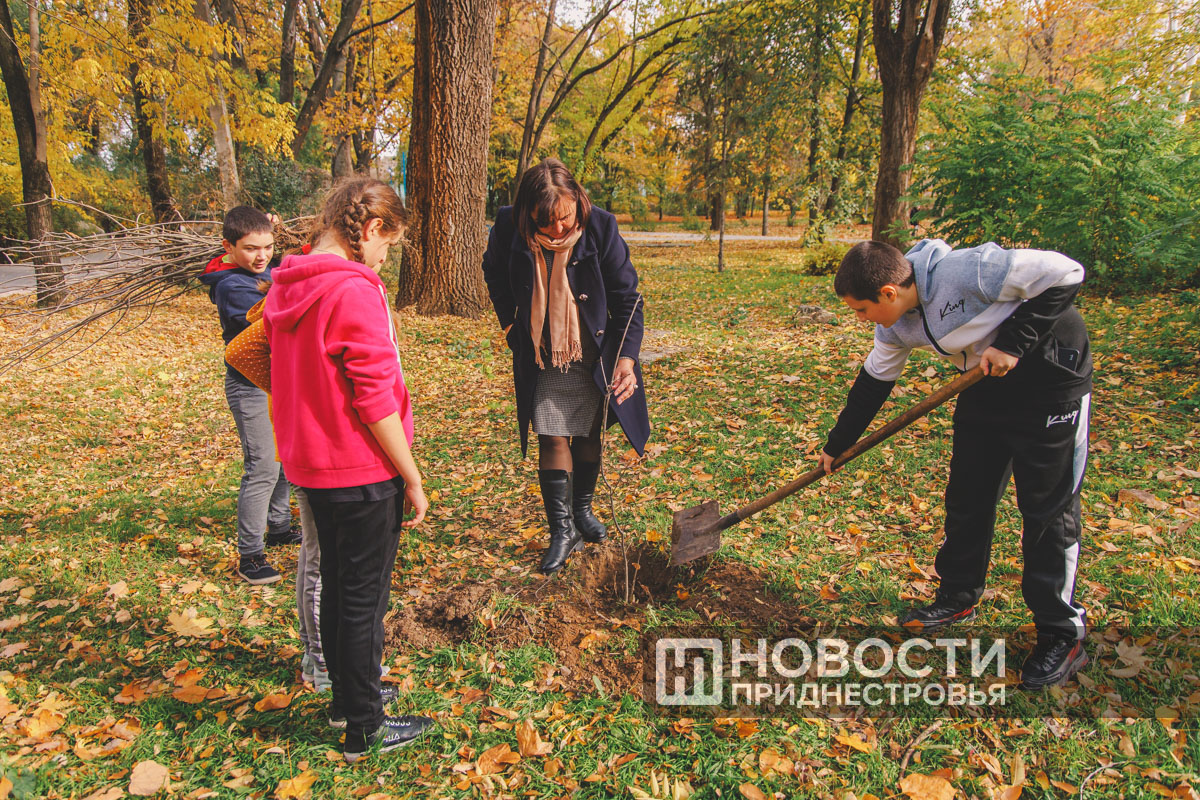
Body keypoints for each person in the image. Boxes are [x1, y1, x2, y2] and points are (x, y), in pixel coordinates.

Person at [818, 239, 1092, 689]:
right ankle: (958, 595)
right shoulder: (894, 325)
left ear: (888, 292)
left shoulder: (970, 271)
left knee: (1046, 510)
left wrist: (1013, 343)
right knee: (968, 495)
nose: (861, 319)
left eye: (862, 310)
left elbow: (1066, 272)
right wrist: (838, 445)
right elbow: (873, 382)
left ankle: (1062, 632)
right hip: (984, 381)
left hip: (1050, 379)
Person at [264, 177, 433, 762]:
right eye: (388, 244)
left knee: (338, 590)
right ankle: (366, 727)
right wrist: (411, 475)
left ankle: (347, 699)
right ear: (369, 228)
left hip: (310, 464)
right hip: (360, 467)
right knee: (363, 600)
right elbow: (375, 397)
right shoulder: (353, 290)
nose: (385, 258)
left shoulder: (289, 282)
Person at [482, 158, 649, 574]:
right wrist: (509, 324)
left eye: (565, 217)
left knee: (588, 432)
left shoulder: (601, 227)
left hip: (592, 349)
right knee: (552, 433)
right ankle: (562, 531)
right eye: (546, 221)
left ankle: (582, 510)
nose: (558, 229)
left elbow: (628, 300)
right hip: (542, 352)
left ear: (578, 201)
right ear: (528, 212)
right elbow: (493, 273)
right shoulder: (509, 226)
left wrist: (626, 359)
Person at [225, 297, 330, 692]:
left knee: (314, 550)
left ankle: (314, 656)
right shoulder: (301, 295)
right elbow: (239, 350)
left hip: (299, 431)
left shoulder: (301, 292)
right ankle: (324, 664)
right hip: (309, 437)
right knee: (322, 559)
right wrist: (289, 387)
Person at [199, 207, 300, 586]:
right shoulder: (231, 286)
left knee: (284, 458)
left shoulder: (263, 272)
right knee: (262, 467)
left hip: (278, 382)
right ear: (227, 247)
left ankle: (279, 527)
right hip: (249, 385)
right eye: (251, 249)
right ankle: (250, 555)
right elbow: (272, 315)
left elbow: (285, 274)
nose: (262, 257)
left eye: (268, 247)